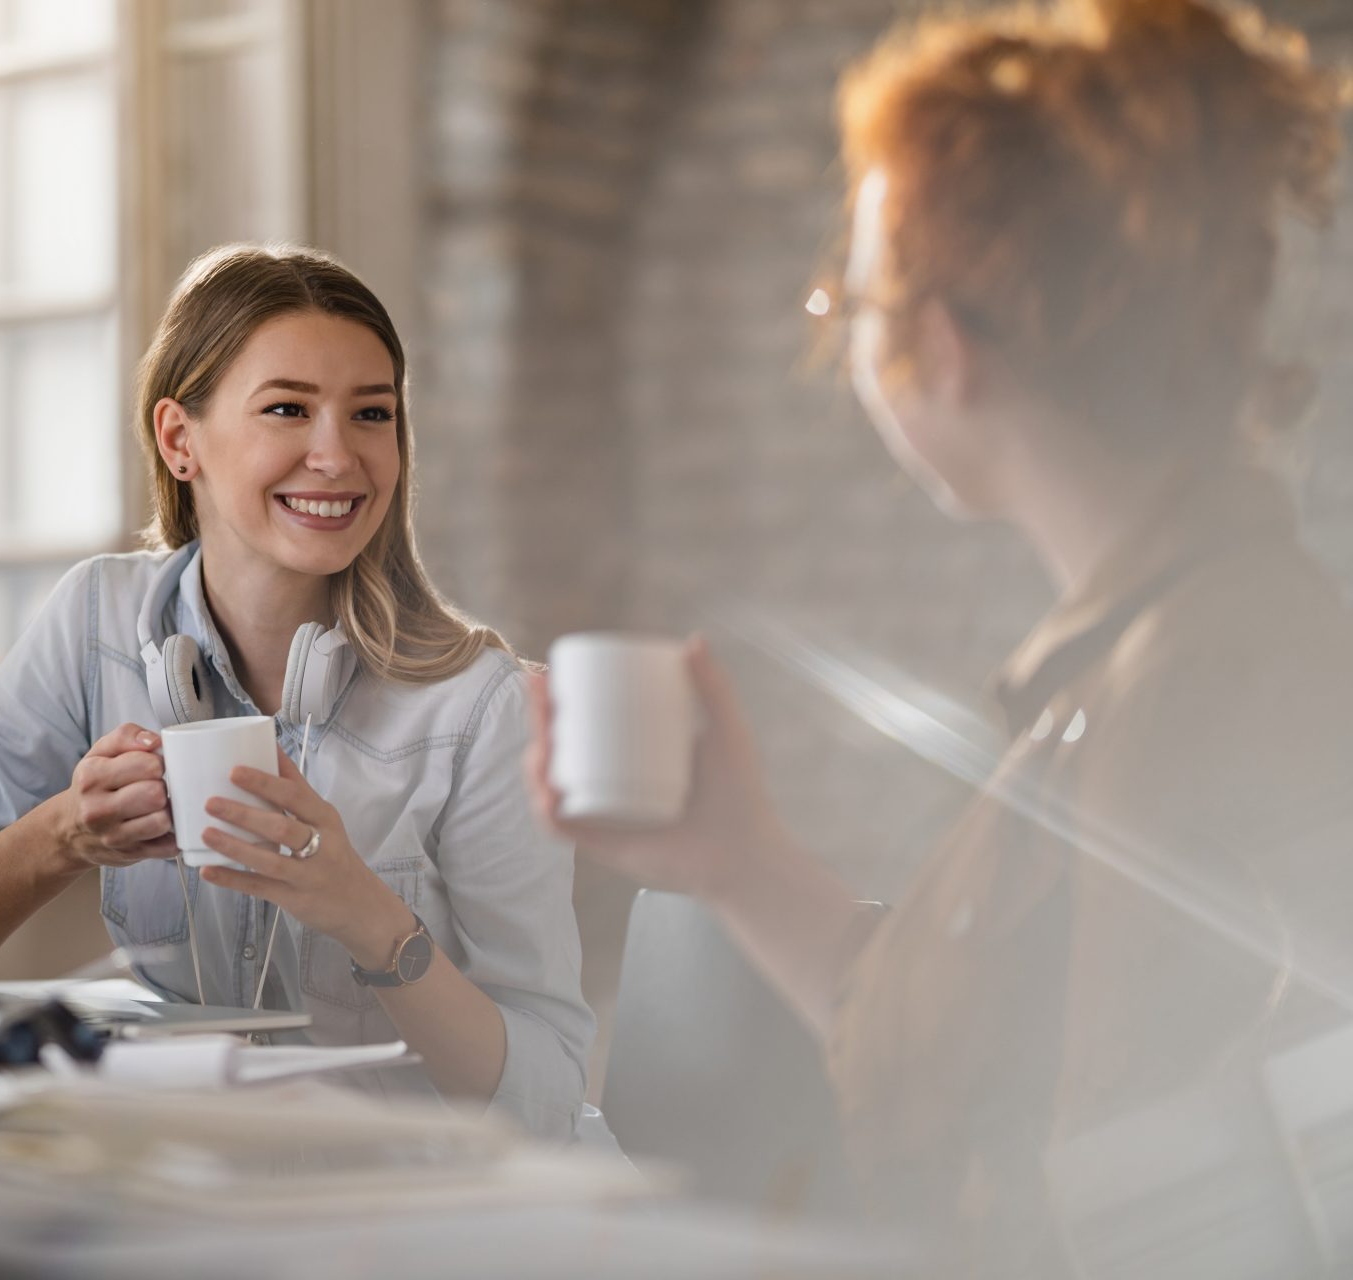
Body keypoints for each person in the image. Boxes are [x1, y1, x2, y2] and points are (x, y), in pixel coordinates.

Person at [528, 0, 1353, 1267]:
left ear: (945, 346)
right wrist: (736, 857)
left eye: (849, 297)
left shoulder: (1198, 686)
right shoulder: (1157, 647)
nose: (846, 334)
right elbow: (965, 1066)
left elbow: (1105, 1233)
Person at [0, 244, 591, 1142]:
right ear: (179, 439)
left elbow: (543, 1093)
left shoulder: (479, 706)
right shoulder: (94, 621)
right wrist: (60, 838)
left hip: (402, 1205)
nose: (338, 456)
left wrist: (366, 915)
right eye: (287, 409)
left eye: (371, 414)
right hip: (183, 1180)